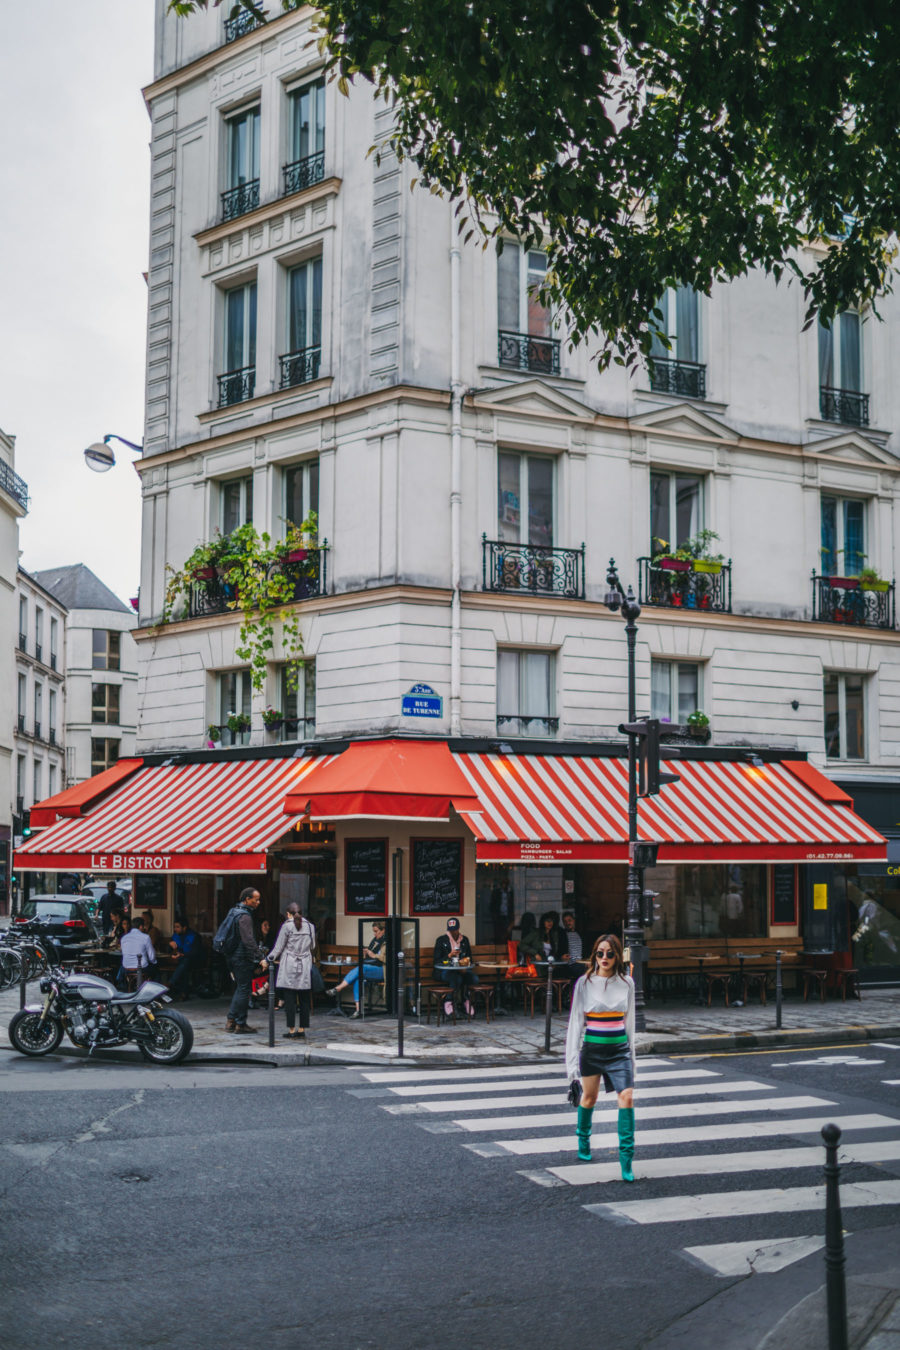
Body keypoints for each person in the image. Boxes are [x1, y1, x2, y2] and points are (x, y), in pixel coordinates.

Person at [565, 933, 636, 1179]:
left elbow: (630, 1026)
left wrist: (632, 1063)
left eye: (610, 953)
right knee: (589, 1098)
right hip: (592, 1050)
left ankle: (626, 1159)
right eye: (599, 953)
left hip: (619, 1051)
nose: (604, 957)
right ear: (594, 954)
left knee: (626, 1097)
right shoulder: (584, 983)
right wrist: (572, 1068)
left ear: (617, 957)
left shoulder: (627, 983)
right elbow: (575, 1025)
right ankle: (583, 1139)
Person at [268, 903, 317, 1038]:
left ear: (288, 914)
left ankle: (291, 1030)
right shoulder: (310, 926)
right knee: (304, 998)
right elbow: (313, 945)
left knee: (289, 998)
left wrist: (268, 959)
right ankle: (302, 1029)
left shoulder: (286, 926)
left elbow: (278, 947)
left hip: (289, 964)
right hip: (305, 964)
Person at [225, 888, 269, 1035]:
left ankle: (231, 1020)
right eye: (255, 899)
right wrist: (261, 958)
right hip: (242, 958)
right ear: (246, 899)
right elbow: (248, 940)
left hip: (233, 957)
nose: (258, 902)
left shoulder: (234, 911)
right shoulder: (245, 916)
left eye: (259, 899)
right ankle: (240, 1023)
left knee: (240, 988)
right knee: (244, 989)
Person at [326, 920, 386, 1019]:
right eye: (373, 931)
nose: (374, 934)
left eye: (376, 931)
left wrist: (373, 954)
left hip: (382, 970)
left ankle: (338, 988)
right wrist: (365, 954)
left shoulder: (386, 941)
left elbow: (386, 959)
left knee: (361, 969)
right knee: (358, 978)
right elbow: (368, 958)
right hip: (371, 968)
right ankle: (358, 1010)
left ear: (383, 930)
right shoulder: (375, 940)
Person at [433, 917, 479, 1018]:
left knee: (473, 978)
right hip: (444, 971)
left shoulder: (464, 940)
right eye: (451, 930)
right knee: (455, 978)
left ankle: (466, 1000)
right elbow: (436, 961)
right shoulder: (441, 940)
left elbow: (469, 958)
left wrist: (465, 965)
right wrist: (449, 956)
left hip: (461, 970)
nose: (453, 932)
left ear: (458, 929)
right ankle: (449, 1002)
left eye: (455, 930)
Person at [117, 916, 158, 989]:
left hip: (126, 968)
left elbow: (124, 953)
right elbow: (152, 957)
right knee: (156, 970)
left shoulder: (124, 938)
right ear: (141, 926)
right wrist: (154, 962)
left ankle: (128, 988)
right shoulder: (146, 937)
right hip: (141, 968)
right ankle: (155, 992)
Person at [168, 920, 201, 999]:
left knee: (185, 964)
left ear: (184, 927)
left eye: (178, 927)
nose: (175, 929)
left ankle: (170, 984)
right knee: (183, 966)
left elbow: (195, 952)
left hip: (193, 960)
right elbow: (169, 950)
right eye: (175, 927)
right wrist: (170, 944)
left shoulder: (194, 936)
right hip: (178, 960)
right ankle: (182, 992)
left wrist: (183, 954)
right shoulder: (175, 935)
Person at [561, 910, 586, 981]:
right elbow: (560, 951)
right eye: (565, 921)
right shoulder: (562, 934)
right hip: (571, 964)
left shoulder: (580, 933)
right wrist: (562, 956)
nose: (567, 923)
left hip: (582, 963)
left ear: (574, 920)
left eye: (569, 920)